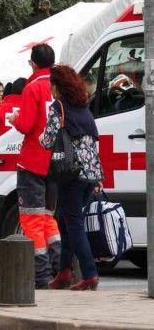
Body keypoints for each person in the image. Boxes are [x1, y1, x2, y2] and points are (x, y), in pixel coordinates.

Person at [40, 64, 103, 291]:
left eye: (51, 84)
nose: (49, 88)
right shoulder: (85, 109)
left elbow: (47, 140)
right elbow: (93, 144)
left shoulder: (59, 107)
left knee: (74, 225)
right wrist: (97, 178)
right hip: (91, 174)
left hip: (71, 174)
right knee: (67, 222)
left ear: (57, 86)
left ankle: (89, 274)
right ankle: (64, 272)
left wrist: (38, 136)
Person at [7, 43, 61, 289]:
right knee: (49, 218)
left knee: (31, 218)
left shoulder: (33, 86)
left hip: (34, 160)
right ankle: (59, 268)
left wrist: (14, 119)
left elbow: (27, 124)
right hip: (57, 160)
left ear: (33, 64)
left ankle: (40, 274)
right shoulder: (61, 85)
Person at [0, 77, 26, 144]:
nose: (1, 94)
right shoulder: (32, 109)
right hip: (26, 152)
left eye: (2, 91)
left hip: (2, 153)